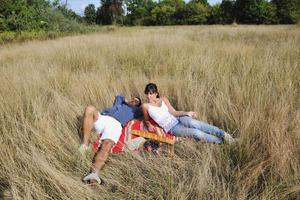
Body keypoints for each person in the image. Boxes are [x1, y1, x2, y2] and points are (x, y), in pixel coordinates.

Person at [142, 83, 235, 144]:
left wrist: (187, 113)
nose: (148, 96)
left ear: (156, 93)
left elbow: (174, 112)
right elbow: (146, 120)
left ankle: (224, 135)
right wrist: (149, 124)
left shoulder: (164, 99)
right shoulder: (146, 106)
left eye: (151, 93)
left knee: (195, 123)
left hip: (178, 118)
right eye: (147, 93)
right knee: (196, 133)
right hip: (172, 127)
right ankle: (221, 141)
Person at [80, 95, 142, 184]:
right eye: (133, 99)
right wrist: (127, 101)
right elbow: (119, 96)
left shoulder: (136, 110)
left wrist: (137, 104)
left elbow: (145, 108)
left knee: (107, 143)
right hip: (103, 117)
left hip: (116, 124)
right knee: (89, 108)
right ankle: (84, 145)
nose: (134, 101)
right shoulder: (120, 103)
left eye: (136, 101)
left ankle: (94, 174)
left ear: (138, 105)